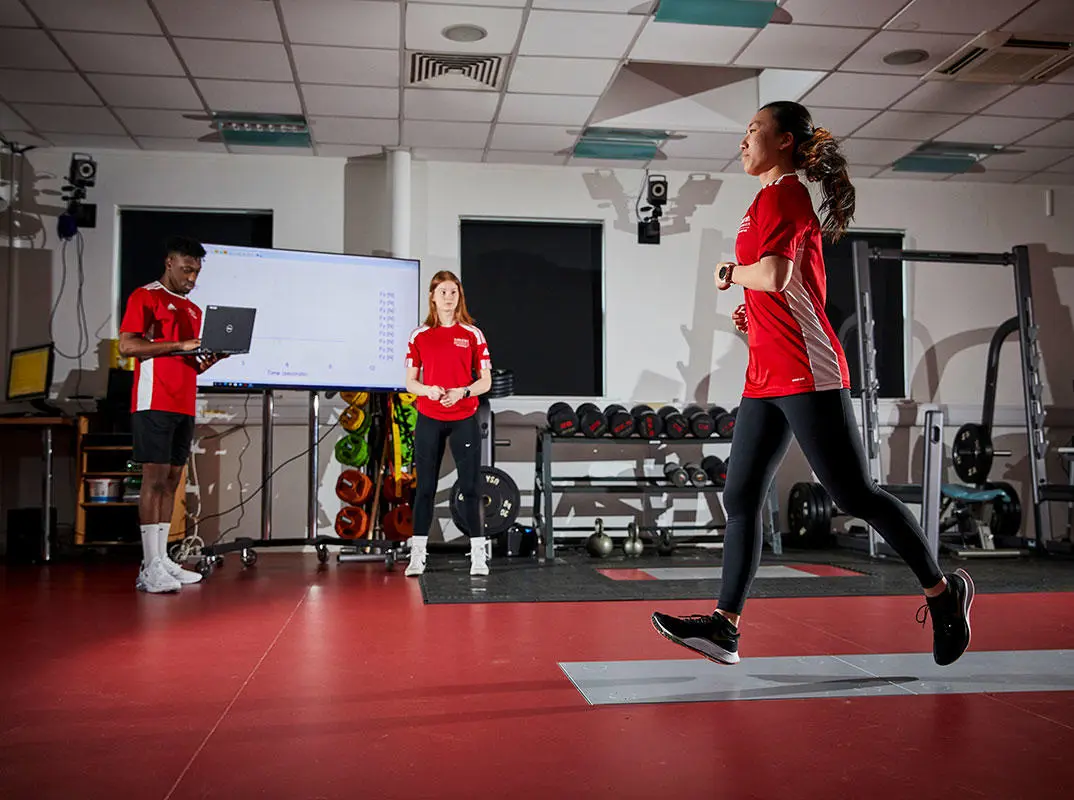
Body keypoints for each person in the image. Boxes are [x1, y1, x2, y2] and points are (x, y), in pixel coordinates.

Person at [651, 101, 974, 667]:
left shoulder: (787, 194)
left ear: (784, 142)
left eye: (754, 129)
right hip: (765, 374)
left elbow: (774, 274)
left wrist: (731, 275)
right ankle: (724, 627)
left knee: (854, 495)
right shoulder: (762, 200)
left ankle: (944, 595)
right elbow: (791, 286)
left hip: (806, 368)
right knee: (741, 495)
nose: (743, 138)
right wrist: (751, 311)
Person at [118, 235, 227, 593]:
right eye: (186, 270)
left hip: (183, 402)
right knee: (154, 480)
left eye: (197, 272)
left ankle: (162, 559)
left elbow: (188, 365)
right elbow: (128, 345)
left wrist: (208, 361)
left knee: (171, 482)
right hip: (154, 401)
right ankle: (148, 567)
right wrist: (179, 345)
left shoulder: (193, 310)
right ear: (169, 263)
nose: (192, 279)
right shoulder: (145, 296)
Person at [403, 270, 493, 577]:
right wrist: (428, 389)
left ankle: (478, 555)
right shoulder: (419, 336)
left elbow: (486, 381)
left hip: (464, 418)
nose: (448, 297)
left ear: (459, 296)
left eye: (453, 292)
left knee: (470, 487)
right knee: (425, 488)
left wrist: (462, 391)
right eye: (442, 291)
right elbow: (410, 383)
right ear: (432, 296)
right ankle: (417, 555)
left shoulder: (472, 334)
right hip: (429, 417)